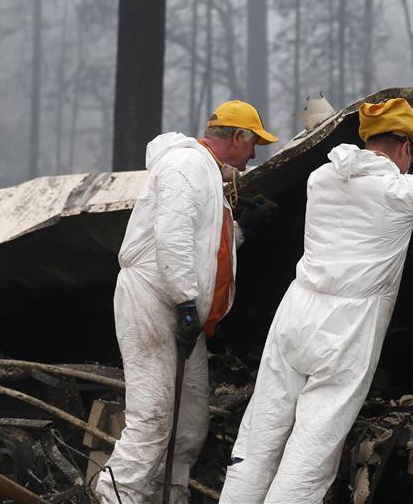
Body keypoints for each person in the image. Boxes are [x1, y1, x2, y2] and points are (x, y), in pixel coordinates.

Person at [219, 87, 413, 503]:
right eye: (412, 155)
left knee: (258, 438)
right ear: (404, 148)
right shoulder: (400, 196)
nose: (411, 167)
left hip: (295, 316)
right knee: (309, 455)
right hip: (345, 331)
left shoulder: (321, 179)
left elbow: (373, 163)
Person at [95, 100, 279, 504]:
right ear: (237, 137)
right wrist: (184, 302)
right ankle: (113, 497)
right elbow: (173, 236)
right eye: (254, 144)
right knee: (152, 417)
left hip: (182, 308)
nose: (254, 155)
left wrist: (240, 229)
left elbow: (205, 250)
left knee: (190, 424)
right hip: (155, 299)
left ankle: (169, 497)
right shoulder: (186, 165)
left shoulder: (208, 172)